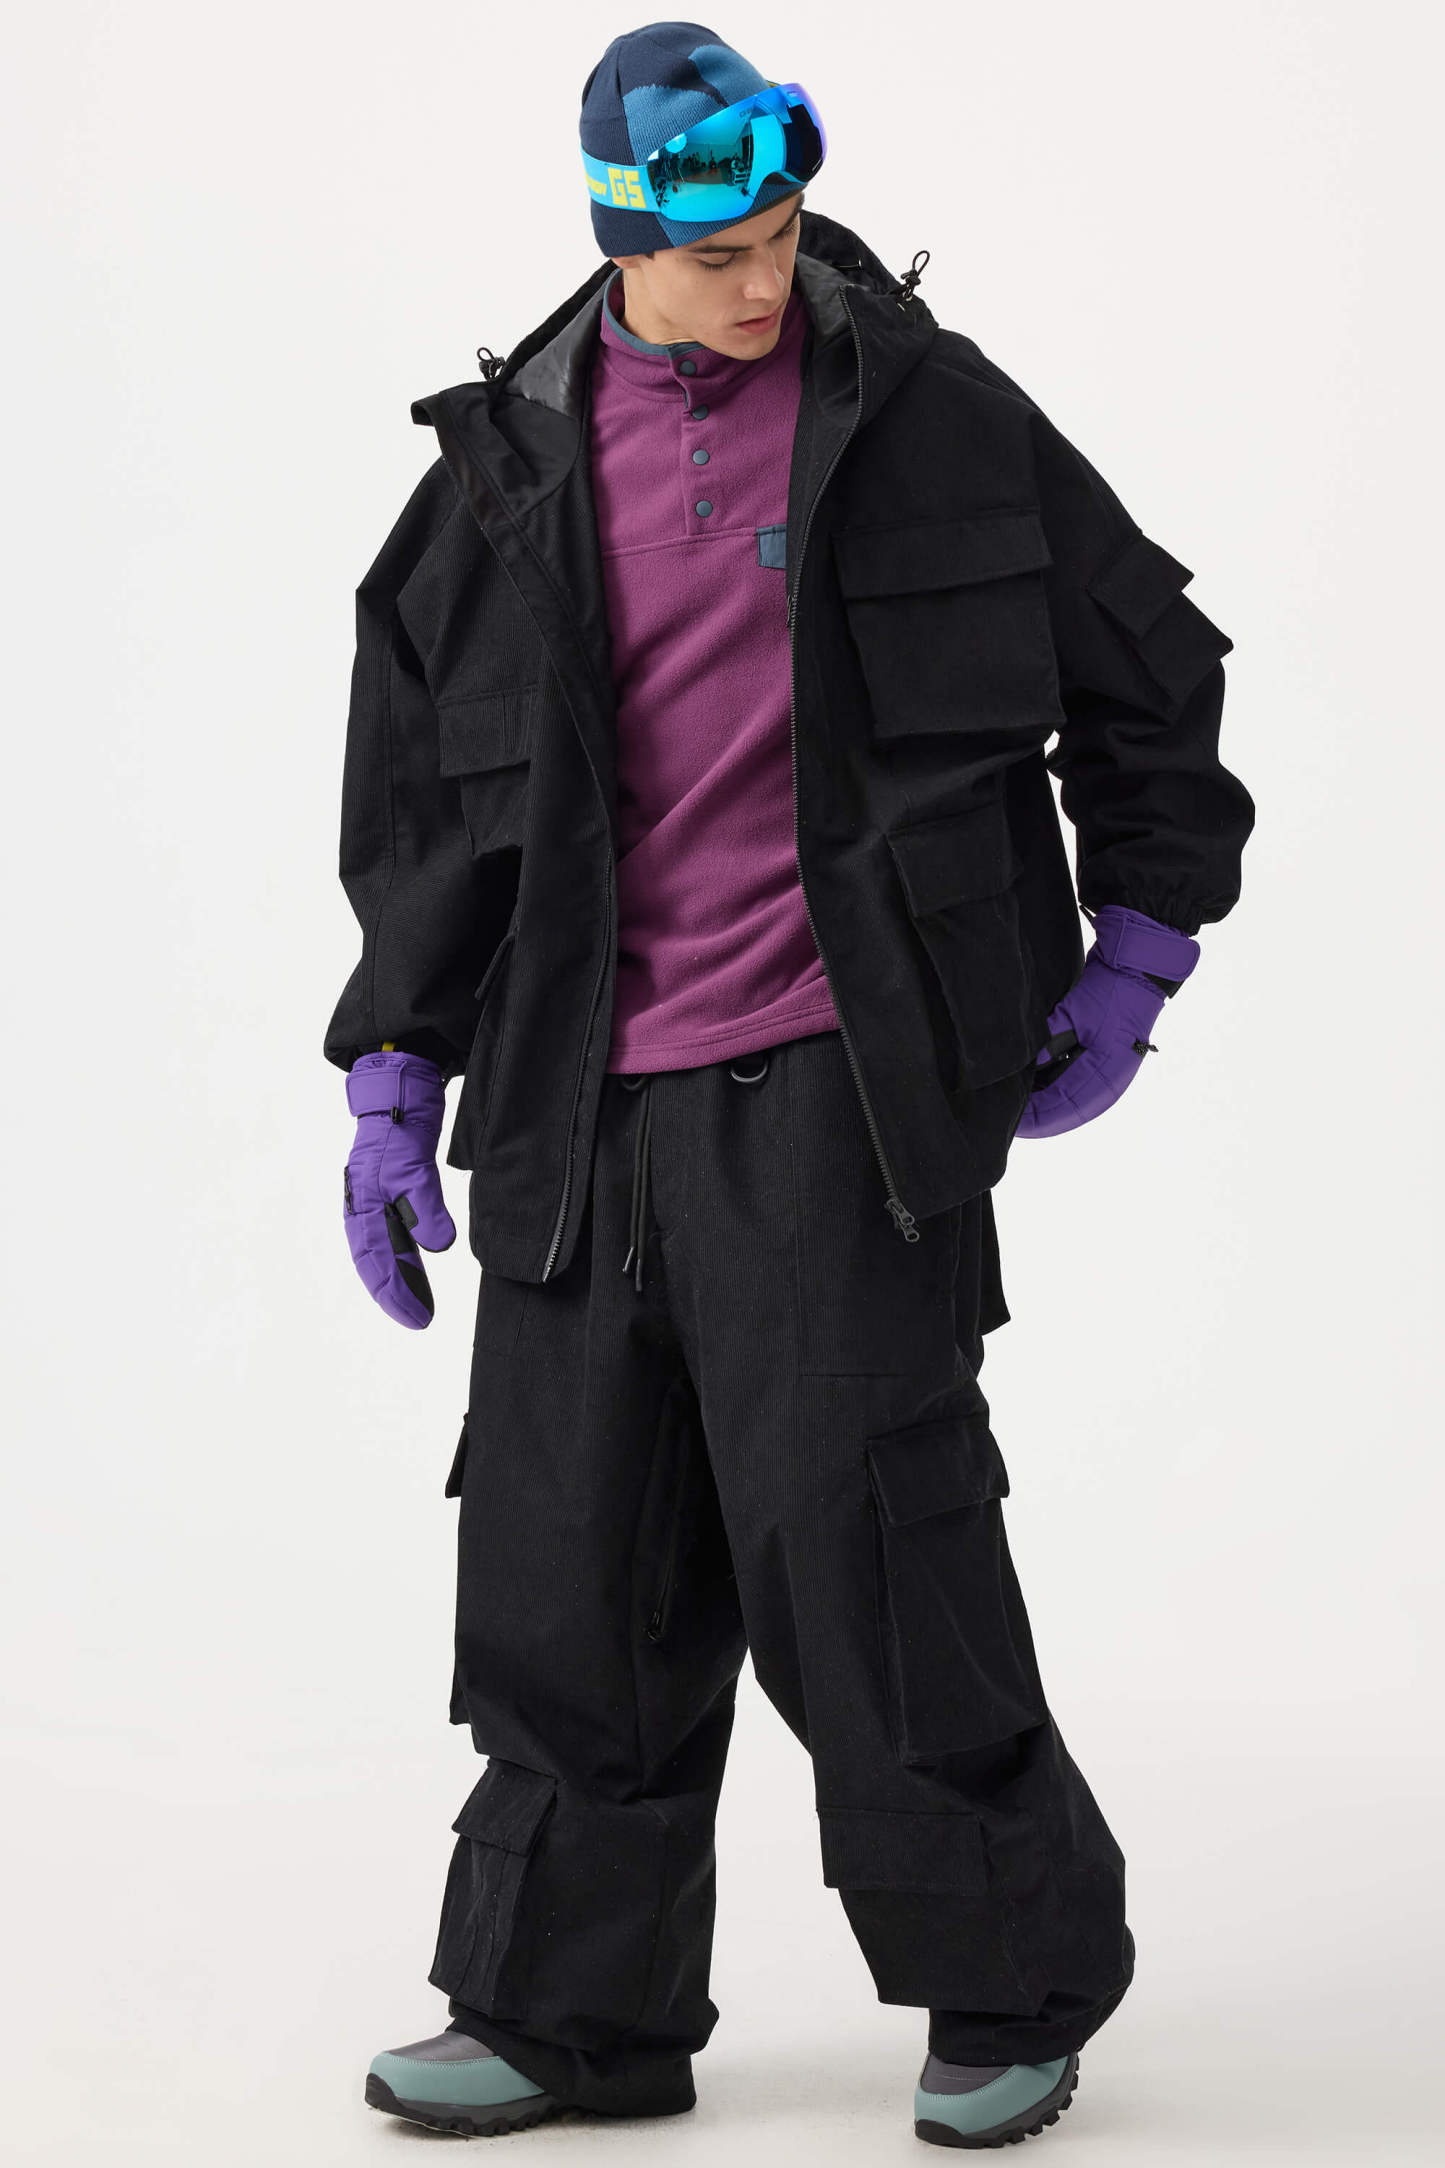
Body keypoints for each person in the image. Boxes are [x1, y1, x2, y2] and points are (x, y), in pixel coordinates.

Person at [324, 21, 1254, 2148]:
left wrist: (1138, 950)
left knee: (868, 1546)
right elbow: (425, 817)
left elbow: (1153, 674)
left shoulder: (927, 414)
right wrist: (389, 1075)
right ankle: (570, 2017)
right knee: (568, 1561)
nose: (769, 281)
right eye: (721, 252)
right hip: (574, 1104)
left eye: (785, 235)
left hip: (837, 1082)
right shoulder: (501, 474)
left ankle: (1008, 1987)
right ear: (619, 243)